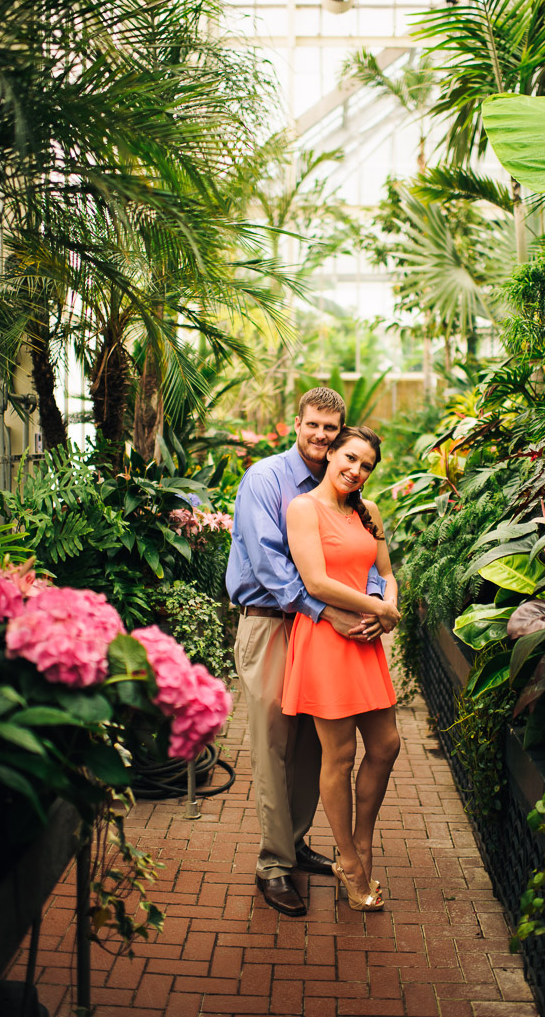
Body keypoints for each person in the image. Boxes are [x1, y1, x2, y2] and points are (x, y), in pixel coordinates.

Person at [226, 388, 395, 917]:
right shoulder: (267, 481)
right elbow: (273, 566)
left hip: (321, 626)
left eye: (331, 428)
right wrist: (333, 613)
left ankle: (295, 843)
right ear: (295, 424)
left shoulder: (348, 496)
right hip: (272, 622)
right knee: (275, 744)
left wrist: (373, 605)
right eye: (313, 426)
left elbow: (367, 560)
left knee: (310, 748)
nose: (321, 435)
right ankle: (273, 866)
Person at [282, 425, 401, 912]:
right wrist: (380, 611)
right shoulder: (303, 508)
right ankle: (349, 862)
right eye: (350, 458)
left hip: (365, 641)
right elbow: (316, 581)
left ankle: (361, 843)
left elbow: (388, 573)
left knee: (387, 744)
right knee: (339, 755)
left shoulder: (367, 512)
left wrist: (385, 603)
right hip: (327, 641)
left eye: (366, 465)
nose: (356, 470)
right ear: (330, 453)